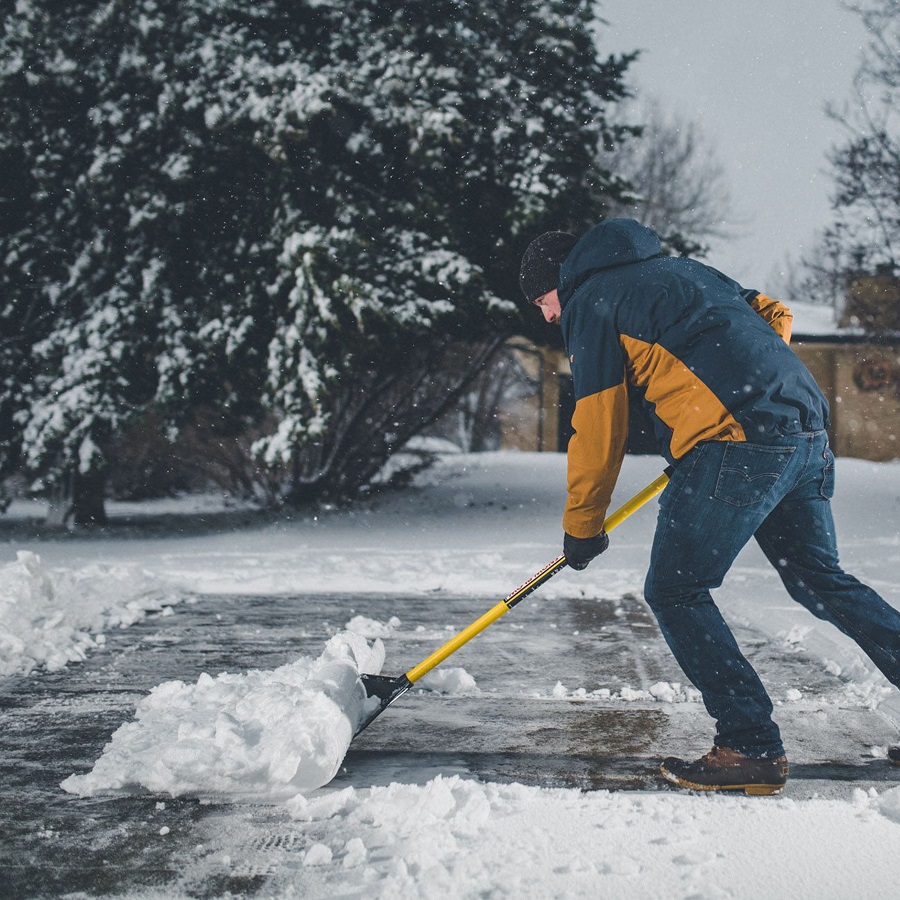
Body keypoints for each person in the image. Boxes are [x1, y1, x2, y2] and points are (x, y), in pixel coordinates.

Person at [518, 218, 900, 795]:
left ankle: (749, 746)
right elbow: (774, 315)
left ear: (560, 281)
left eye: (542, 300)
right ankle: (751, 742)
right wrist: (736, 389)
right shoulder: (687, 272)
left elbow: (598, 424)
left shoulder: (591, 300)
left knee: (676, 590)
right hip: (804, 432)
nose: (547, 315)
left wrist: (582, 525)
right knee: (821, 580)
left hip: (737, 444)